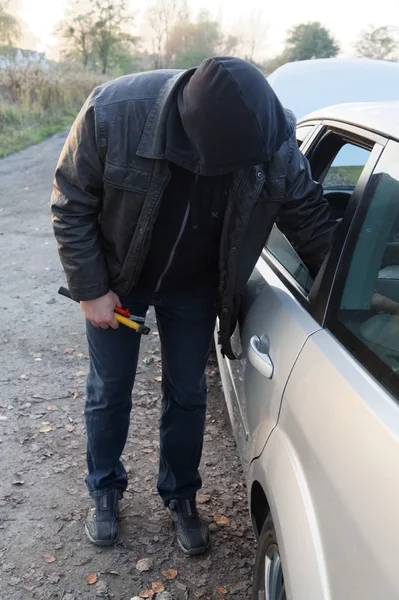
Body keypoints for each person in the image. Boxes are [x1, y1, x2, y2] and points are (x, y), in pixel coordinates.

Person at [51, 57, 336, 555]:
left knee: (187, 393)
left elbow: (308, 217)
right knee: (110, 388)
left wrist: (346, 286)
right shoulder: (114, 111)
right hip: (119, 279)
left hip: (194, 285)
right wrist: (90, 289)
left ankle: (180, 493)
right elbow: (71, 200)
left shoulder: (269, 137)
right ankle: (105, 488)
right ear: (194, 139)